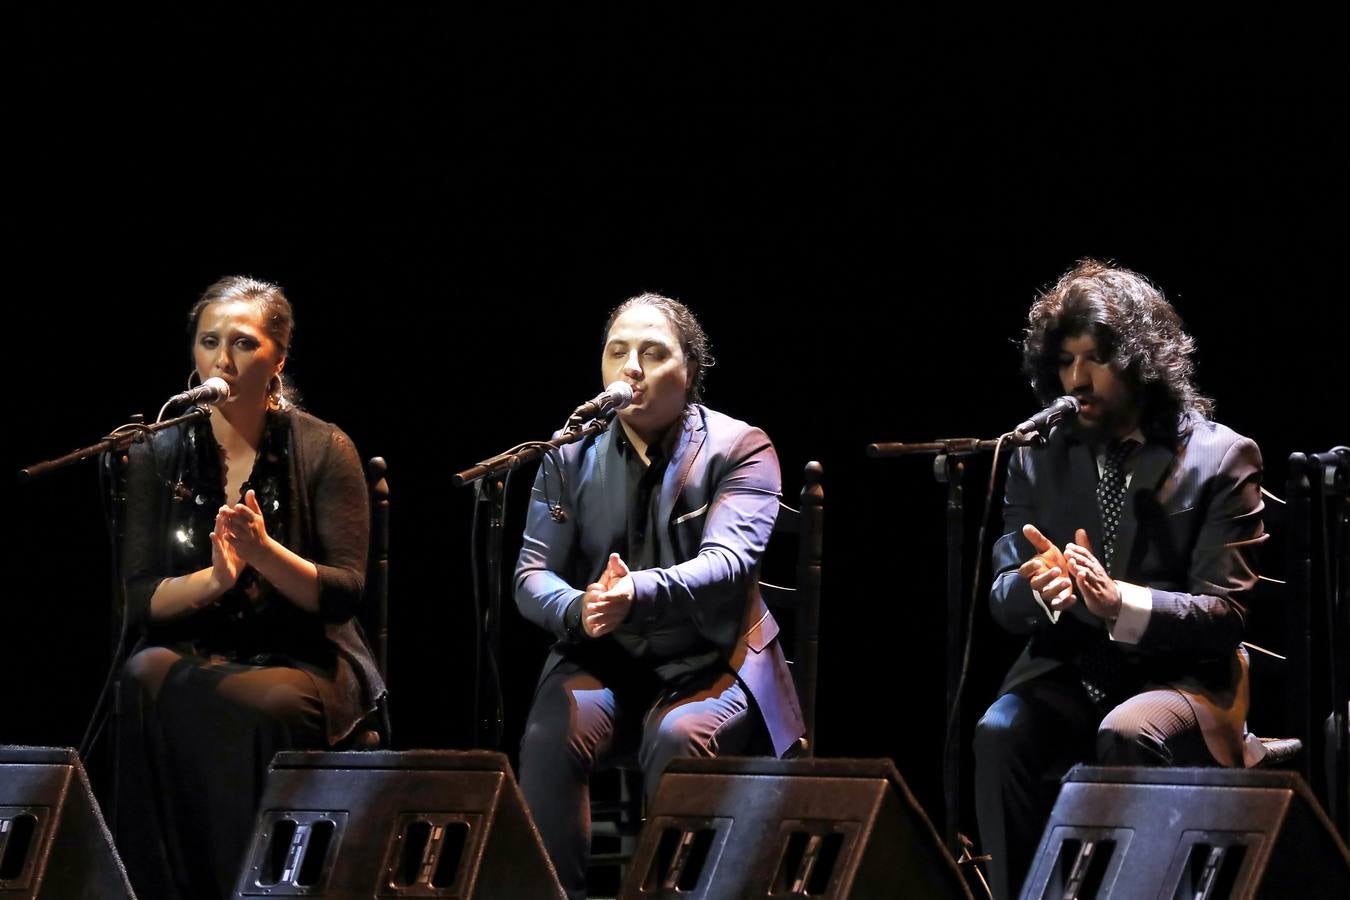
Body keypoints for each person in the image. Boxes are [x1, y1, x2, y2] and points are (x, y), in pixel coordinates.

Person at [973, 260, 1267, 900]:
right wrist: (1038, 587)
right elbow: (1002, 594)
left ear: (1141, 358)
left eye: (1096, 360)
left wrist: (1119, 604)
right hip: (1075, 670)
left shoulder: (1221, 456)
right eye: (1066, 362)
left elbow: (1229, 616)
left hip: (1185, 680)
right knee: (1000, 731)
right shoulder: (1035, 452)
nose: (1076, 380)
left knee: (1128, 730)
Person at [515, 292, 805, 899]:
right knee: (551, 735)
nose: (631, 368)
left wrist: (635, 593)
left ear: (690, 371)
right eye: (617, 351)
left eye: (653, 352)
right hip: (607, 660)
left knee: (678, 738)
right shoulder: (567, 453)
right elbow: (532, 574)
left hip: (712, 660)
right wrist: (579, 607)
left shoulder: (741, 447)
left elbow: (728, 564)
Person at [117, 276, 385, 899]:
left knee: (264, 703)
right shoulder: (160, 450)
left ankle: (260, 886)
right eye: (209, 342)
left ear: (278, 360)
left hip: (306, 653)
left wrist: (264, 553)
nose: (222, 359)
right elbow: (139, 598)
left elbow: (344, 593)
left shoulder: (324, 446)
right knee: (140, 677)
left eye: (242, 343)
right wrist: (215, 579)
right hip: (200, 645)